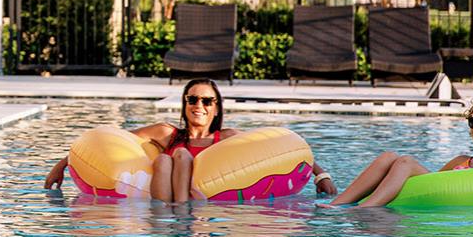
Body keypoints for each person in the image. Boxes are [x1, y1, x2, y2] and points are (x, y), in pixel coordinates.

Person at [44, 78, 338, 203]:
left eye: (207, 101)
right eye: (193, 99)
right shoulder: (166, 133)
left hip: (200, 206)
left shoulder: (227, 139)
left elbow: (280, 151)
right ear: (184, 104)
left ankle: (181, 214)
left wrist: (319, 174)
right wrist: (62, 165)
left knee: (180, 157)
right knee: (165, 157)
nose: (200, 105)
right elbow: (111, 141)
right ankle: (174, 215)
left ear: (216, 107)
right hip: (157, 204)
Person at [328, 86, 473, 207]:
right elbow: (430, 189)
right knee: (390, 156)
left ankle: (364, 210)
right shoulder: (461, 161)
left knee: (406, 162)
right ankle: (335, 206)